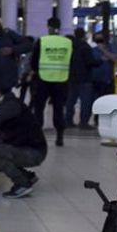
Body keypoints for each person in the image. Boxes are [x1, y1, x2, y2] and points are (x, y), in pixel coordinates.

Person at [30, 17, 72, 146]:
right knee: (59, 109)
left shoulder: (42, 41)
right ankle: (60, 136)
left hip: (43, 79)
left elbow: (34, 61)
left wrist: (36, 71)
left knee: (39, 109)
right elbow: (71, 60)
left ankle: (38, 137)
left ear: (48, 27)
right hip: (61, 80)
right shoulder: (67, 42)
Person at [64, 28, 99, 128]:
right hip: (84, 77)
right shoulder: (85, 46)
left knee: (70, 100)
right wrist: (99, 62)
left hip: (71, 76)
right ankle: (83, 122)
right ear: (84, 35)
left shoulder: (69, 46)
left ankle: (68, 120)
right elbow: (90, 62)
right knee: (85, 101)